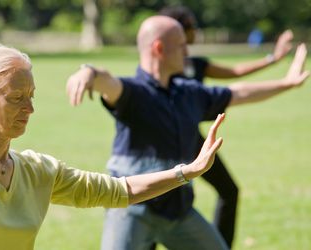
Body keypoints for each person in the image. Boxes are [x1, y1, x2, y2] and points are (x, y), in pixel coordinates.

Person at [0, 44, 226, 250]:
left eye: (31, 96)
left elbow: (120, 190)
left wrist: (188, 171)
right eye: (16, 98)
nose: (29, 109)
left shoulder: (37, 171)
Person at [66, 16, 309, 250]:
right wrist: (89, 72)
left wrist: (287, 83)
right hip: (131, 212)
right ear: (159, 48)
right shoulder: (134, 93)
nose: (187, 52)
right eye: (181, 46)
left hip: (178, 213)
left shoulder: (188, 93)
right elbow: (107, 82)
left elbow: (238, 92)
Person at [159, 5, 294, 247]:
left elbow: (235, 73)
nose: (196, 31)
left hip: (193, 139)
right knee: (159, 202)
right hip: (164, 140)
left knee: (228, 191)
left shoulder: (197, 64)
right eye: (191, 26)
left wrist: (274, 58)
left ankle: (220, 245)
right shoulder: (161, 67)